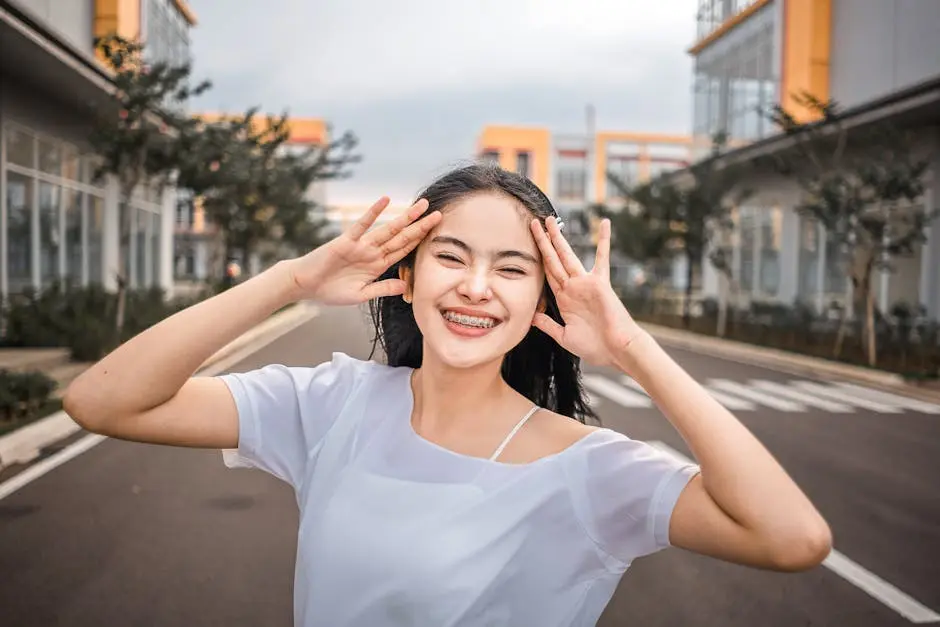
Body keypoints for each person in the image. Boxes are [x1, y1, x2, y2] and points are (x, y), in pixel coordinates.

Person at [64, 164, 832, 626]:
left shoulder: (588, 469)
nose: (473, 286)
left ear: (544, 293)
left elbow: (792, 537)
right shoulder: (333, 404)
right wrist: (293, 282)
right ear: (410, 272)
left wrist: (634, 350)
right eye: (452, 256)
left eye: (509, 267)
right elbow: (102, 401)